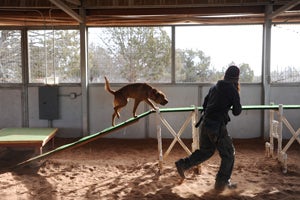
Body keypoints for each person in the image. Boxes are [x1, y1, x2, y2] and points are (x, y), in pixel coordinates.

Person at [175, 65, 242, 191]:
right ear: (237, 77)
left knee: (206, 151)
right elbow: (237, 111)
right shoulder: (232, 90)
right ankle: (221, 184)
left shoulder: (214, 87)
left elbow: (205, 105)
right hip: (217, 127)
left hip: (205, 124)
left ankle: (183, 164)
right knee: (229, 155)